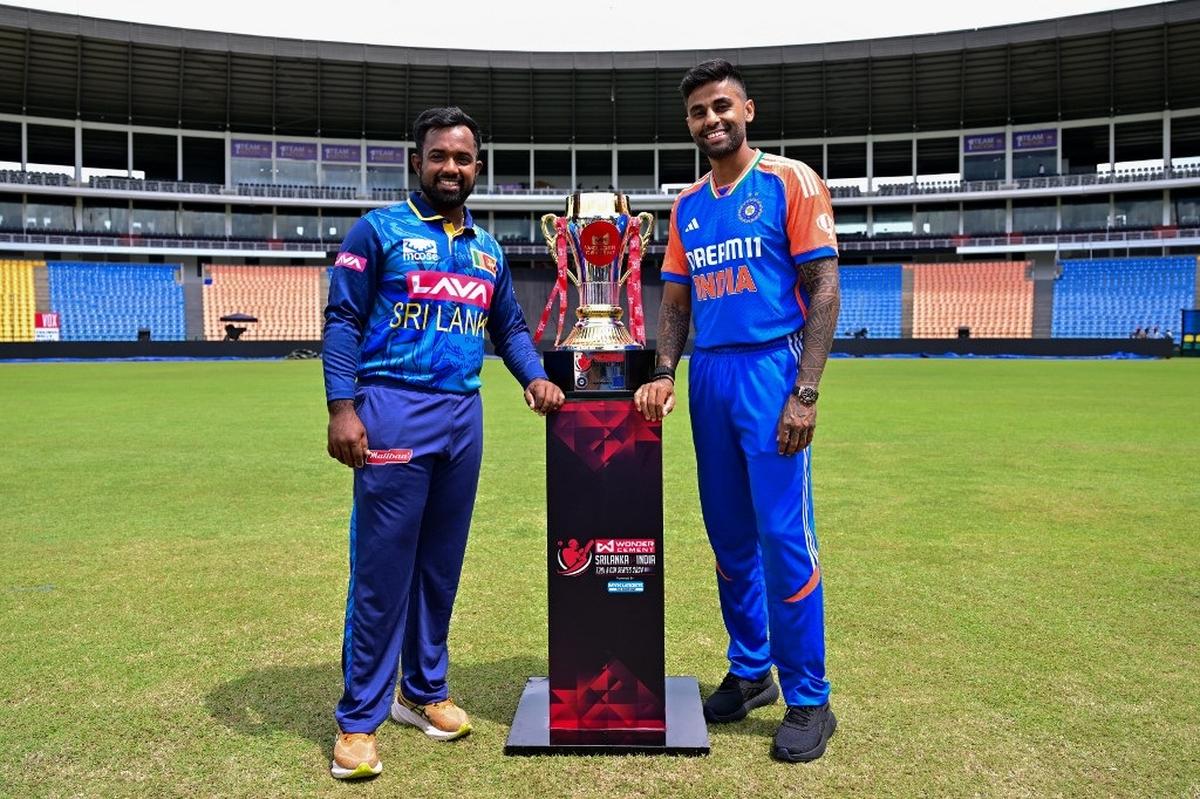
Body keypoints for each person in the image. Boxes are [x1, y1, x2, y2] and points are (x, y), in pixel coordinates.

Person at [322, 106, 564, 780]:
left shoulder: (487, 249)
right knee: (381, 572)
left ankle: (422, 691)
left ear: (477, 167)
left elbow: (510, 327)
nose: (451, 168)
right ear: (417, 163)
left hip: (463, 414)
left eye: (463, 158)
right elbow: (342, 320)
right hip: (392, 407)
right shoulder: (378, 232)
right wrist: (343, 408)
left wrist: (536, 378)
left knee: (439, 567)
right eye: (439, 157)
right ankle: (357, 721)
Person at [634, 59, 841, 763]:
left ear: (747, 109)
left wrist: (805, 391)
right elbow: (676, 301)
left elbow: (824, 289)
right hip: (710, 377)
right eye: (698, 111)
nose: (711, 119)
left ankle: (809, 694)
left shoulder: (791, 180)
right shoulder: (687, 205)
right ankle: (752, 670)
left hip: (770, 369)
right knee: (728, 537)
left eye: (722, 106)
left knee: (783, 537)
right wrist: (664, 370)